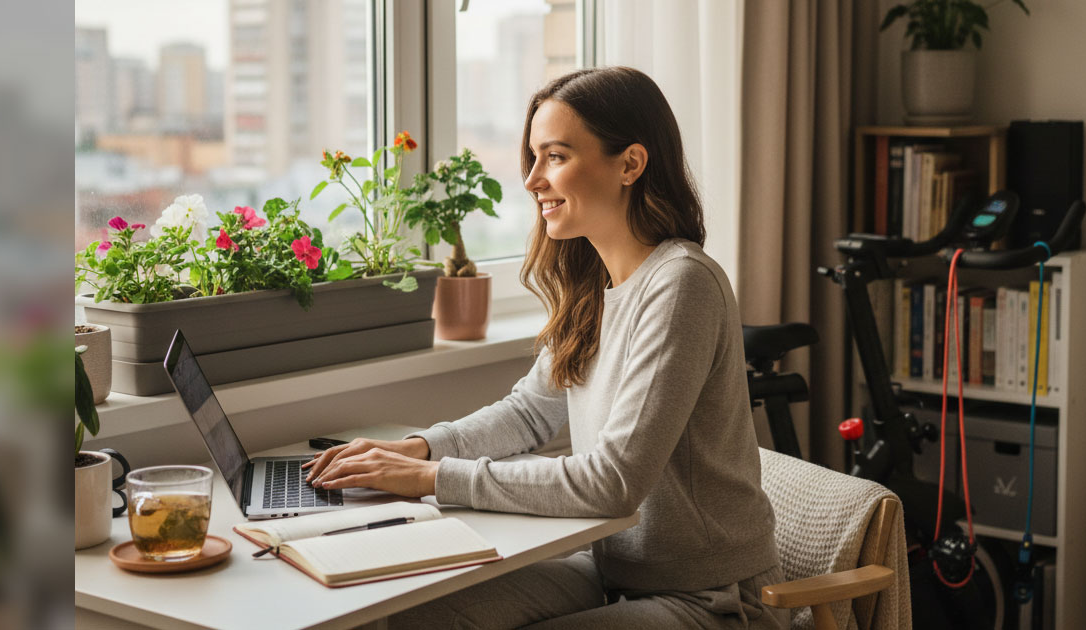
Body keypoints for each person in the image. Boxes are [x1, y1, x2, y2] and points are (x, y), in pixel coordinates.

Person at [302, 66, 787, 629]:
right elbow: (529, 412)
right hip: (612, 572)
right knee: (415, 617)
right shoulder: (593, 282)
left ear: (630, 164)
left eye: (555, 157)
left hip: (711, 599)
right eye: (533, 158)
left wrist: (431, 479)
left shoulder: (681, 285)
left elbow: (612, 483)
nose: (533, 180)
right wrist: (420, 449)